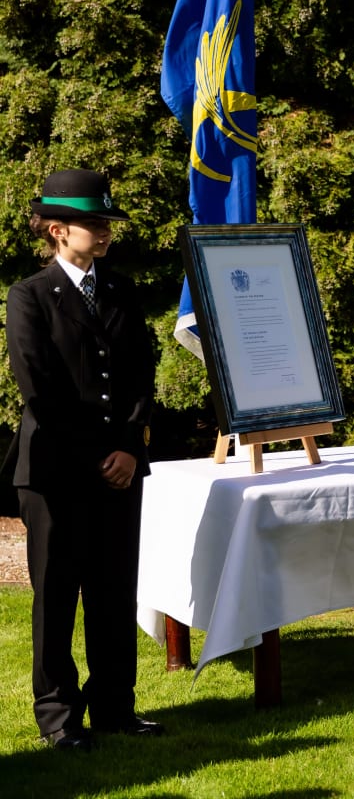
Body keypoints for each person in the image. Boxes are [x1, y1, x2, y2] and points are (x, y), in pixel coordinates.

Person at [5, 169, 162, 750]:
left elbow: (141, 375)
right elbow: (39, 387)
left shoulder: (121, 290)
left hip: (120, 467)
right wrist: (100, 453)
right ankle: (58, 718)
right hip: (55, 472)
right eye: (94, 223)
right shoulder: (28, 296)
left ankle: (116, 707)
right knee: (55, 594)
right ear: (56, 229)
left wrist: (127, 445)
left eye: (106, 223)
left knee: (113, 591)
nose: (104, 232)